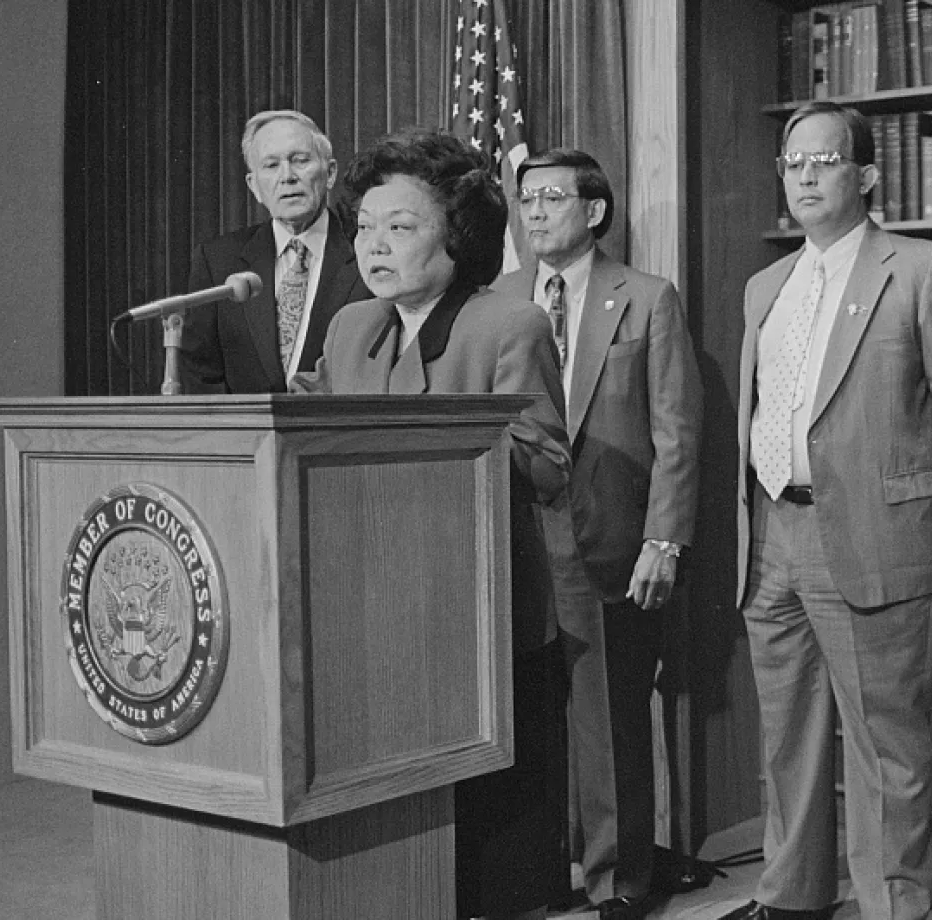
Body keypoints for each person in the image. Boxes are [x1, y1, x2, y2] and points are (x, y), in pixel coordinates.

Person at [723, 100, 932, 920]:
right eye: (792, 162)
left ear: (866, 175)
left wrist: (906, 498)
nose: (805, 176)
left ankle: (893, 904)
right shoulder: (765, 284)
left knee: (886, 743)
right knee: (787, 739)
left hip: (877, 535)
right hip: (771, 532)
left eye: (825, 160)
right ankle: (791, 897)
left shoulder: (921, 270)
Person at [291, 129, 573, 920]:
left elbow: (548, 465)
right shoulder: (351, 326)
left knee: (488, 849)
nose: (375, 245)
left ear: (458, 236)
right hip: (373, 613)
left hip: (477, 613)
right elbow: (302, 431)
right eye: (367, 227)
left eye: (402, 227)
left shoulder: (505, 326)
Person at [490, 148, 702, 920]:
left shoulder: (646, 298)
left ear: (596, 210)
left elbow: (678, 433)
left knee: (607, 717)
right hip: (515, 539)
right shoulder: (501, 298)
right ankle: (539, 869)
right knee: (525, 720)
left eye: (550, 197)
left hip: (612, 541)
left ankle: (618, 880)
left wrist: (664, 540)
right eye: (526, 199)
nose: (534, 210)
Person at [182, 109, 371, 393]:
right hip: (246, 436)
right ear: (254, 186)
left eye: (300, 161)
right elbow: (202, 375)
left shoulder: (366, 249)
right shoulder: (218, 260)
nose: (287, 177)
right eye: (271, 165)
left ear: (330, 173)